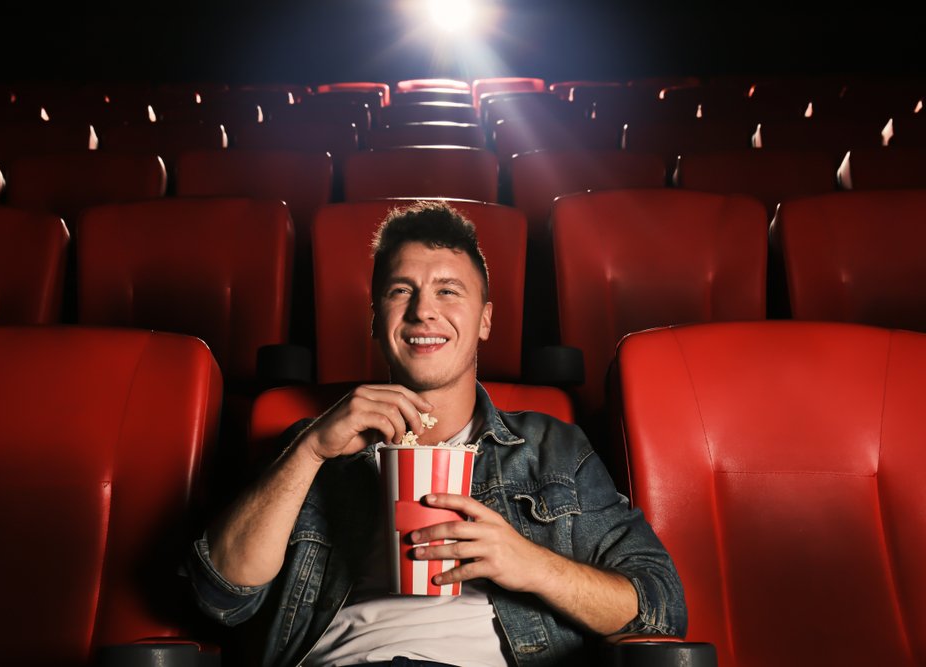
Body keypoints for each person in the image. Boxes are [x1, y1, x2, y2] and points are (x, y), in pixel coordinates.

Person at [187, 201, 686, 667]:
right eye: (401, 290)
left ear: (486, 320)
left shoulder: (552, 449)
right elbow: (218, 597)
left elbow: (660, 607)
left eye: (449, 290)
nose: (424, 310)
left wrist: (528, 563)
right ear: (375, 321)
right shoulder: (311, 446)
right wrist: (312, 450)